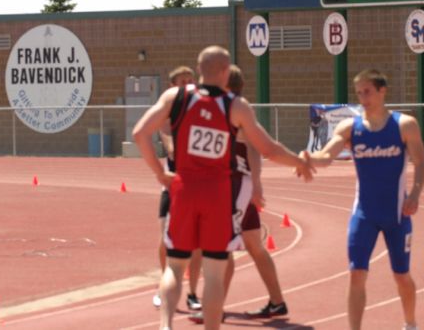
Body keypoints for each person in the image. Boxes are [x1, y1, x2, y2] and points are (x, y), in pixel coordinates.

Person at [133, 45, 314, 330]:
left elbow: (139, 133)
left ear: (199, 68)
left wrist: (160, 174)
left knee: (175, 266)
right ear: (224, 70)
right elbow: (267, 148)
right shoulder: (236, 106)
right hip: (218, 194)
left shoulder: (175, 97)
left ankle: (165, 325)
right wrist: (299, 162)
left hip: (184, 188)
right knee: (215, 273)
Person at [304, 69, 424, 330]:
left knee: (401, 275)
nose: (363, 98)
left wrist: (415, 193)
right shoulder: (350, 128)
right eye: (359, 92)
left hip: (397, 214)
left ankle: (411, 323)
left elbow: (421, 163)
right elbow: (326, 156)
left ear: (382, 91)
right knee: (356, 273)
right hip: (364, 214)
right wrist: (307, 159)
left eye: (367, 91)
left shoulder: (405, 125)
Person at [188, 64, 289, 324]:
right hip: (235, 186)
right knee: (254, 245)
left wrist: (255, 183)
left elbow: (257, 149)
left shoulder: (235, 111)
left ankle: (215, 307)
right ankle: (277, 302)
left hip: (235, 188)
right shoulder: (224, 110)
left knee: (223, 248)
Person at [153, 66, 203, 312]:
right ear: (173, 87)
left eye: (190, 80)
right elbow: (171, 147)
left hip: (197, 187)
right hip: (173, 186)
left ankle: (193, 293)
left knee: (196, 245)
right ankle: (164, 285)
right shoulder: (168, 116)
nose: (188, 85)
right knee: (166, 240)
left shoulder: (204, 110)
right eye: (182, 82)